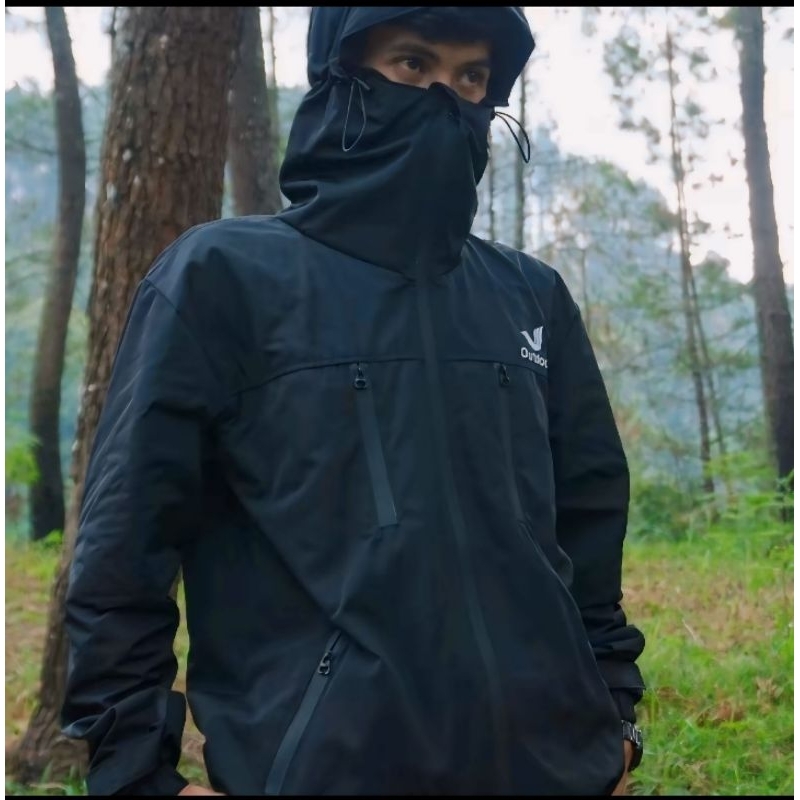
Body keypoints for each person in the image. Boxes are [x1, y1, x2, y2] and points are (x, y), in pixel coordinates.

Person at [61, 7, 646, 796]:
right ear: (341, 74)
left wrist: (613, 723)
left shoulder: (528, 295)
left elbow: (589, 520)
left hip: (553, 770)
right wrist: (134, 771)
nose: (446, 97)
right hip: (326, 772)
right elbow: (125, 546)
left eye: (471, 76)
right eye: (413, 63)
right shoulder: (224, 279)